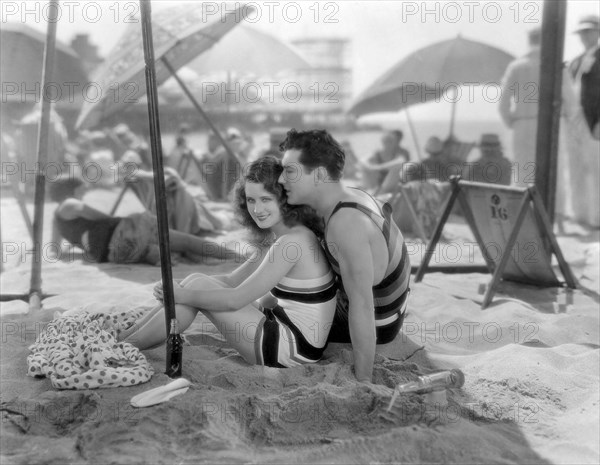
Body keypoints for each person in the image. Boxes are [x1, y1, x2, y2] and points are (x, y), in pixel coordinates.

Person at [121, 157, 338, 368]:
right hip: (283, 330)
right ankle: (127, 337)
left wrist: (183, 294)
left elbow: (235, 299)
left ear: (284, 198)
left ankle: (128, 346)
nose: (257, 209)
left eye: (266, 199)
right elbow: (230, 280)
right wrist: (176, 285)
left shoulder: (292, 243)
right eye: (251, 200)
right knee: (195, 280)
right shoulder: (281, 237)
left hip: (290, 349)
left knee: (195, 288)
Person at [278, 129, 411, 383]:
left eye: (290, 171)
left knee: (279, 302)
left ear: (318, 174)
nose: (282, 180)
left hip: (379, 322)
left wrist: (364, 382)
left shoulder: (346, 224)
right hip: (393, 308)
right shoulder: (348, 196)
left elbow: (361, 304)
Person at [48, 173, 238, 265]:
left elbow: (56, 250)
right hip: (125, 234)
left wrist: (84, 246)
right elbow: (101, 217)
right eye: (82, 188)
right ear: (72, 190)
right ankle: (236, 257)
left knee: (173, 246)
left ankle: (150, 253)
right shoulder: (70, 203)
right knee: (186, 241)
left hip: (113, 254)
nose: (85, 190)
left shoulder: (56, 220)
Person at [565, 15, 600, 228]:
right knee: (576, 168)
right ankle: (580, 215)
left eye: (590, 31)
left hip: (593, 120)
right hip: (574, 121)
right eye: (582, 33)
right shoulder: (575, 61)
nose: (585, 36)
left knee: (597, 170)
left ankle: (598, 216)